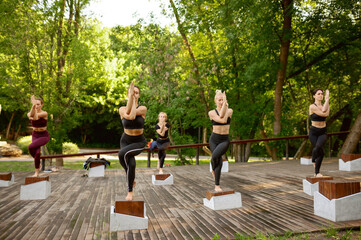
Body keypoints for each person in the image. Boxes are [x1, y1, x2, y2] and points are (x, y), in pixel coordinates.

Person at [118, 81, 147, 201]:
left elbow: (133, 116)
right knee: (132, 165)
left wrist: (133, 100)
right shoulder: (121, 109)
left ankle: (130, 178)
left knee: (121, 154)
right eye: (132, 92)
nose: (134, 94)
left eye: (136, 93)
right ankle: (130, 191)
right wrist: (131, 98)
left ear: (139, 95)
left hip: (139, 141)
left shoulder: (143, 108)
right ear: (127, 94)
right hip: (125, 140)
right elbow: (128, 114)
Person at [208, 90, 233, 192]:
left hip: (224, 140)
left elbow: (224, 117)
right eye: (219, 100)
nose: (221, 102)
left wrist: (225, 104)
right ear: (215, 101)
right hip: (214, 139)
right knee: (217, 160)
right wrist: (225, 104)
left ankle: (214, 172)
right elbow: (221, 119)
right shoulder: (211, 112)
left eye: (223, 100)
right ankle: (217, 186)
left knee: (215, 157)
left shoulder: (230, 111)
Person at [309, 88, 330, 177]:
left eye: (322, 93)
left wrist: (327, 99)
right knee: (320, 152)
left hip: (323, 131)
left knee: (318, 147)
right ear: (314, 96)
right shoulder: (312, 106)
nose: (321, 95)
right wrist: (325, 108)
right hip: (313, 132)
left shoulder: (326, 104)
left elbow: (326, 113)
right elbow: (323, 113)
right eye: (318, 94)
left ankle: (314, 161)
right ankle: (317, 172)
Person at [27, 95, 50, 177]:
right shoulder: (29, 113)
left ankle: (37, 164)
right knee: (37, 154)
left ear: (42, 105)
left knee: (30, 146)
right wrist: (33, 107)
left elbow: (36, 118)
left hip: (44, 135)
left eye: (38, 104)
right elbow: (32, 115)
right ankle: (36, 172)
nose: (36, 106)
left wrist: (33, 106)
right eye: (35, 104)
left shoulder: (44, 113)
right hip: (35, 135)